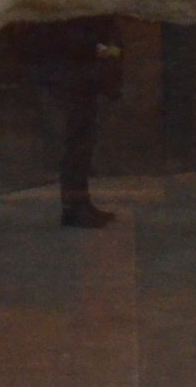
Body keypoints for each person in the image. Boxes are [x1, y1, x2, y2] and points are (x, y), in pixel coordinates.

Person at [15, 17, 124, 228]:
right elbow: (78, 44)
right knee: (76, 147)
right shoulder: (69, 19)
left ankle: (79, 205)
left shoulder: (71, 16)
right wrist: (104, 50)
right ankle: (76, 207)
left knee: (80, 146)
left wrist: (107, 50)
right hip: (74, 81)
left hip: (78, 79)